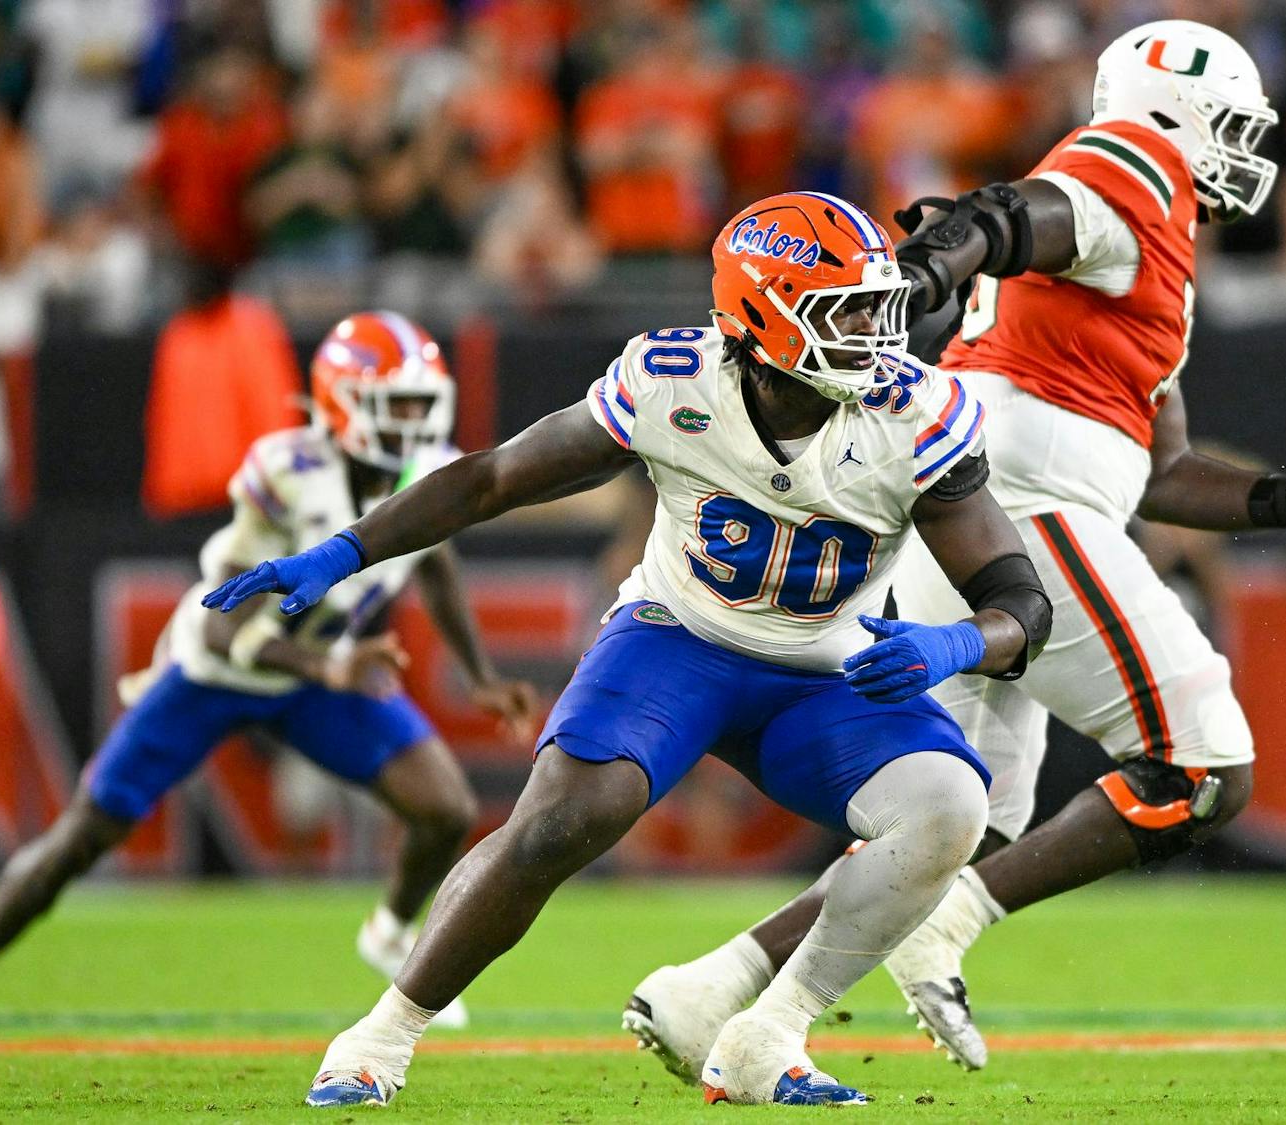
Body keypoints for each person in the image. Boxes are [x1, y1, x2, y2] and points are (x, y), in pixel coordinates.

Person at [621, 19, 1286, 1079]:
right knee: (1202, 767)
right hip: (1029, 506)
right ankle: (947, 929)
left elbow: (1165, 472)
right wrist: (940, 254)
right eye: (1225, 122)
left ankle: (716, 994)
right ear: (1170, 111)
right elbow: (1018, 214)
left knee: (959, 827)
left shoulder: (1146, 261)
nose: (1239, 149)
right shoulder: (1132, 167)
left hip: (985, 497)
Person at [203, 190, 1054, 1108]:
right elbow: (494, 477)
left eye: (874, 305)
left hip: (826, 666)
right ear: (763, 312)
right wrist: (346, 549)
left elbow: (1019, 598)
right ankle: (381, 1034)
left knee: (949, 803)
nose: (873, 332)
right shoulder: (672, 380)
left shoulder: (917, 413)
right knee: (562, 820)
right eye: (842, 310)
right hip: (677, 638)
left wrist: (960, 641)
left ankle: (769, 1034)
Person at [0, 312, 538, 1031]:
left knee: (444, 809)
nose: (411, 423)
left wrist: (479, 672)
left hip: (314, 677)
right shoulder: (287, 471)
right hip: (211, 673)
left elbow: (434, 559)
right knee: (82, 837)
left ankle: (391, 932)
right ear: (342, 401)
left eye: (419, 404)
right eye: (393, 404)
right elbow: (222, 623)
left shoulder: (433, 474)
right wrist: (330, 663)